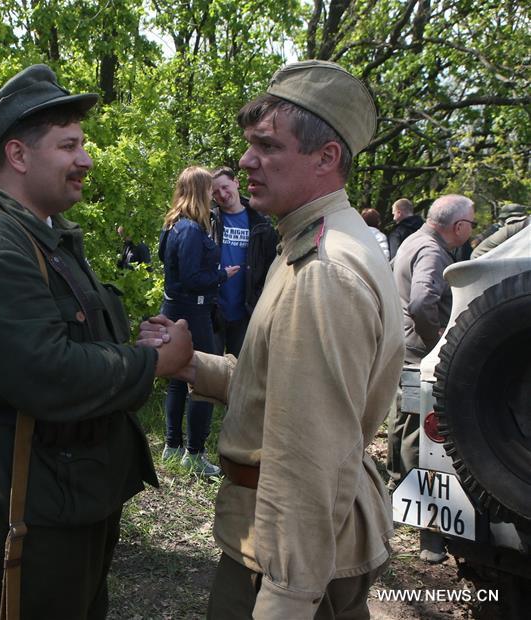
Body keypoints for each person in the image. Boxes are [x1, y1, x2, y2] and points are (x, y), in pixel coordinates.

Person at [141, 60, 404, 618]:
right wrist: (192, 366)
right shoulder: (310, 243)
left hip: (281, 556)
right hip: (281, 540)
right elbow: (283, 389)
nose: (245, 161)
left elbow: (309, 459)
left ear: (326, 157)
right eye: (248, 145)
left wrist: (285, 599)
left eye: (267, 145)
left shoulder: (324, 271)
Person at [0, 64, 191, 618]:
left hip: (69, 487)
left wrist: (133, 341)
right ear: (20, 156)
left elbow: (72, 332)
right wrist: (152, 363)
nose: (86, 159)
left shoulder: (37, 231)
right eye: (69, 145)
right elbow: (45, 373)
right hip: (35, 503)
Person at [387, 195, 475, 564]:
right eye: (471, 223)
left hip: (402, 346)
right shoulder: (435, 253)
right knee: (418, 434)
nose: (472, 229)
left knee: (401, 421)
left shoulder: (413, 239)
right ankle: (422, 519)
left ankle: (394, 490)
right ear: (458, 227)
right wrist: (438, 342)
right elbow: (423, 303)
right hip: (417, 355)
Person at [159, 166, 236, 476]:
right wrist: (221, 275)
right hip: (191, 312)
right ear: (200, 191)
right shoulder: (190, 229)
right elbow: (192, 277)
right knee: (202, 379)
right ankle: (194, 452)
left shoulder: (173, 225)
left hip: (177, 308)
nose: (214, 195)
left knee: (178, 378)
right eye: (209, 189)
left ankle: (173, 446)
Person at [209, 166, 278, 356]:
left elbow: (271, 266)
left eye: (225, 187)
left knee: (241, 374)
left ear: (236, 182)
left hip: (246, 311)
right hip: (213, 311)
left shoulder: (261, 222)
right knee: (208, 375)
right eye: (215, 192)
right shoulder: (208, 220)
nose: (222, 194)